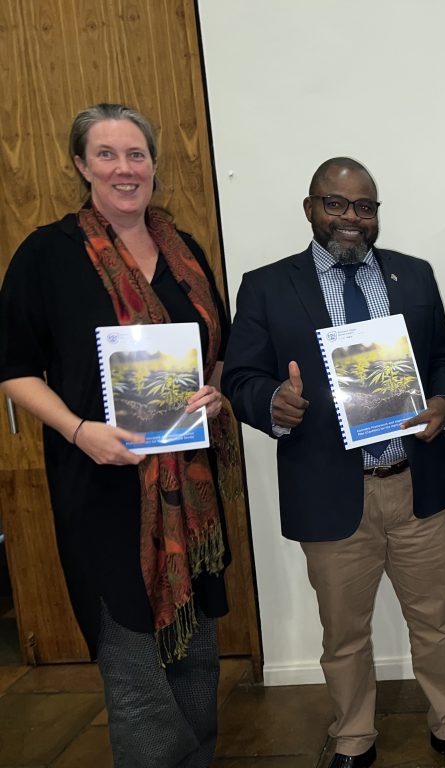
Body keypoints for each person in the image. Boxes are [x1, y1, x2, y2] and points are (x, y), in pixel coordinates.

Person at [222, 157, 445, 768]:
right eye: (336, 204)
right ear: (310, 207)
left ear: (376, 215)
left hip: (415, 483)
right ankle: (353, 736)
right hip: (331, 492)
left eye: (364, 207)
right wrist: (271, 403)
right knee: (343, 633)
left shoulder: (414, 276)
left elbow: (444, 357)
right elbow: (241, 377)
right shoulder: (267, 285)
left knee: (437, 621)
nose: (350, 218)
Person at [0, 103, 235, 767]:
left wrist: (213, 391)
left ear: (155, 165)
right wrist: (79, 431)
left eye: (136, 154)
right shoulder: (49, 256)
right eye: (107, 154)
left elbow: (214, 347)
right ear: (81, 165)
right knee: (136, 679)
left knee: (198, 664)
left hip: (190, 498)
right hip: (101, 490)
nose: (124, 169)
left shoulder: (185, 254)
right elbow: (14, 366)